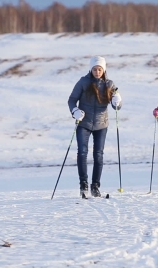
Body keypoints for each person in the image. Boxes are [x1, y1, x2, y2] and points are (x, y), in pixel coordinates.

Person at [68, 56, 122, 197]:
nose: (97, 72)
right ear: (90, 69)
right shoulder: (83, 82)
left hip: (101, 124)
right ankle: (83, 184)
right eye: (94, 69)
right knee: (82, 152)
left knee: (98, 155)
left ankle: (95, 185)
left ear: (104, 70)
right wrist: (75, 111)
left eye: (99, 69)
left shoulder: (109, 85)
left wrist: (117, 101)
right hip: (84, 123)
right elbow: (72, 99)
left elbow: (117, 105)